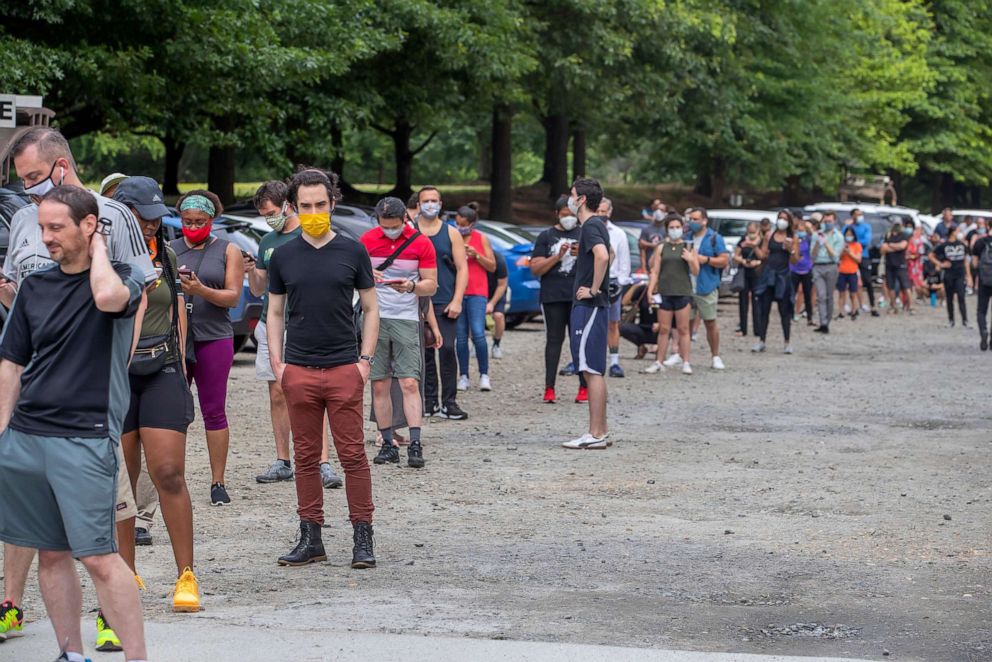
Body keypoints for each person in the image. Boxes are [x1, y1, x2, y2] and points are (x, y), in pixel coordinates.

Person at [0, 127, 155, 651]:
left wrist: (102, 246)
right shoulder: (36, 286)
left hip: (86, 435)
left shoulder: (123, 271)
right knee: (50, 552)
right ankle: (70, 650)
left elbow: (112, 299)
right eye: (40, 226)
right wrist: (3, 432)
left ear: (89, 225)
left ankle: (135, 653)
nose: (45, 237)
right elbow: (11, 362)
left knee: (98, 555)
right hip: (27, 436)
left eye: (55, 227)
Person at [266, 167, 379, 569]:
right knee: (305, 457)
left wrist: (364, 361)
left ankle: (362, 538)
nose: (313, 212)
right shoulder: (284, 255)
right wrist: (278, 363)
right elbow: (275, 312)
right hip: (298, 370)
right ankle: (311, 537)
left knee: (352, 457)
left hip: (344, 369)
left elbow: (370, 307)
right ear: (293, 207)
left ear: (333, 204)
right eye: (305, 206)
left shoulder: (352, 250)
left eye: (320, 204)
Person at [113, 176, 200, 613]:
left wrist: (182, 367)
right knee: (122, 483)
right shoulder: (104, 257)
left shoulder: (164, 254)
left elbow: (178, 314)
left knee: (168, 472)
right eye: (143, 217)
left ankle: (186, 575)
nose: (151, 225)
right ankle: (124, 575)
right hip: (116, 374)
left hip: (162, 366)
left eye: (155, 218)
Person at [248, 181, 343, 489]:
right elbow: (260, 290)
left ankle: (323, 462)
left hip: (304, 324)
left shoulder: (311, 235)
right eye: (264, 215)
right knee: (276, 393)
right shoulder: (267, 242)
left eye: (272, 212)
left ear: (288, 205)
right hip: (270, 323)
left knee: (315, 394)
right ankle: (282, 460)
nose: (269, 219)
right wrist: (252, 270)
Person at [170, 190, 244, 506]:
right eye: (187, 221)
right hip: (175, 340)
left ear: (211, 219)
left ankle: (218, 480)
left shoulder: (229, 250)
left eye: (199, 221)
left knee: (214, 409)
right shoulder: (169, 249)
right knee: (174, 412)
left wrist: (200, 290)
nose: (193, 226)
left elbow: (233, 297)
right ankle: (172, 478)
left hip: (214, 337)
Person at [362, 196, 437, 468]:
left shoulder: (420, 242)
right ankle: (386, 441)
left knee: (409, 382)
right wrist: (369, 274)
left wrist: (412, 287)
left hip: (406, 316)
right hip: (375, 317)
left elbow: (431, 285)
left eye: (393, 225)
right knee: (379, 382)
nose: (388, 230)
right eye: (384, 226)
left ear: (404, 218)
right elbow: (352, 277)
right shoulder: (367, 240)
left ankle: (415, 442)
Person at [562, 177, 611, 450]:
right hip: (595, 305)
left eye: (572, 194)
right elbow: (608, 255)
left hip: (589, 305)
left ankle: (594, 434)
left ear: (581, 199)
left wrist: (593, 289)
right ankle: (601, 430)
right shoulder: (595, 226)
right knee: (595, 369)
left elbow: (603, 256)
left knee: (591, 369)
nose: (569, 199)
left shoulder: (591, 225)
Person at [417, 186, 469, 420]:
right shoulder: (411, 231)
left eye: (434, 200)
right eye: (425, 200)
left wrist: (457, 299)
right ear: (418, 205)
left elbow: (462, 268)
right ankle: (429, 402)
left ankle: (449, 402)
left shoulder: (451, 233)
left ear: (440, 203)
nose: (430, 204)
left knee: (447, 349)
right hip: (416, 301)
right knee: (424, 353)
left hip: (445, 300)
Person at [530, 195, 584, 404]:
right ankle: (549, 387)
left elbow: (604, 259)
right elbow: (535, 267)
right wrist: (556, 256)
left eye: (572, 215)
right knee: (554, 340)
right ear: (557, 214)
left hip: (578, 295)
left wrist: (584, 254)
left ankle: (583, 387)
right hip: (553, 295)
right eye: (564, 215)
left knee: (578, 341)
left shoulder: (584, 233)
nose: (568, 219)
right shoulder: (546, 236)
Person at [643, 213, 698, 375]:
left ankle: (686, 361)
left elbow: (696, 271)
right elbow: (655, 270)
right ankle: (659, 361)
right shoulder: (661, 247)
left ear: (683, 228)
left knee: (683, 329)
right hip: (665, 292)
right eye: (672, 227)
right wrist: (650, 289)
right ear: (667, 229)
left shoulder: (689, 247)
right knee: (664, 329)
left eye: (677, 227)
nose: (675, 230)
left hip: (682, 292)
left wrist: (691, 259)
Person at [453, 204, 497, 392]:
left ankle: (484, 374)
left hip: (478, 292)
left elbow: (492, 266)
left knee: (478, 333)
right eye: (457, 223)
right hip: (458, 293)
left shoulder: (481, 238)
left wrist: (476, 255)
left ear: (471, 224)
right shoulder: (453, 237)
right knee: (460, 337)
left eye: (462, 224)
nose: (459, 227)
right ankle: (463, 375)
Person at [753, 210, 800, 353]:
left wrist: (790, 250)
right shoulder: (769, 235)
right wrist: (755, 246)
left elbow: (795, 261)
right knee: (764, 309)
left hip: (783, 276)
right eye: (780, 218)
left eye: (785, 219)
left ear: (789, 222)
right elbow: (763, 255)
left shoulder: (793, 238)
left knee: (784, 310)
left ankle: (787, 342)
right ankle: (762, 340)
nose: (782, 221)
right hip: (769, 275)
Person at [598, 197, 632, 377]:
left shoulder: (618, 233)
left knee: (613, 322)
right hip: (593, 280)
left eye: (605, 211)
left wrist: (621, 282)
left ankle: (614, 361)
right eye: (599, 211)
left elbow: (624, 261)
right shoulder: (587, 230)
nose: (602, 214)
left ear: (610, 212)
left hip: (612, 282)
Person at [930, 224, 971, 328]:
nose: (959, 233)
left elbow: (965, 261)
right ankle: (951, 320)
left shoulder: (961, 245)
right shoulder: (944, 245)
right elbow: (931, 255)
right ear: (953, 232)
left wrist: (969, 275)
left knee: (961, 296)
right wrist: (940, 264)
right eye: (957, 231)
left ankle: (965, 320)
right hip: (949, 274)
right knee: (949, 298)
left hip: (960, 274)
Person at [810, 211, 843, 333]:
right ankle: (823, 322)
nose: (827, 223)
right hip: (818, 266)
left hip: (831, 266)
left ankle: (827, 321)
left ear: (834, 221)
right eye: (825, 221)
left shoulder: (838, 236)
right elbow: (812, 256)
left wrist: (826, 243)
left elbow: (835, 256)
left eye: (830, 221)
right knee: (821, 295)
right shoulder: (816, 235)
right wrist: (818, 244)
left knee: (829, 296)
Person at [733, 221, 763, 336]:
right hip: (744, 272)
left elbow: (763, 257)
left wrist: (754, 247)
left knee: (757, 300)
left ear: (758, 231)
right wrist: (743, 261)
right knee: (743, 300)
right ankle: (743, 327)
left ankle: (758, 329)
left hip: (757, 273)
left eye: (753, 232)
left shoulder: (762, 241)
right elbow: (735, 256)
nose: (751, 234)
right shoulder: (743, 240)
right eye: (749, 232)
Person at [850, 208, 879, 317]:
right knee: (852, 282)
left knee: (868, 281)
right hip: (850, 258)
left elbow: (866, 241)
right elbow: (844, 239)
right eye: (857, 215)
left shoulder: (866, 227)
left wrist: (854, 242)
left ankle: (872, 305)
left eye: (861, 214)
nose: (860, 217)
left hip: (864, 256)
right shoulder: (849, 227)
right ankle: (855, 306)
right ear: (852, 216)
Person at [880, 221, 912, 315]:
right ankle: (893, 306)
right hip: (889, 264)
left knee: (906, 286)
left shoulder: (904, 235)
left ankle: (910, 306)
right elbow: (882, 249)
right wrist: (895, 247)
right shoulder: (888, 235)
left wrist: (890, 246)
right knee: (891, 286)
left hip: (901, 264)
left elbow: (902, 246)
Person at [618, 282, 655, 356]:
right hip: (643, 328)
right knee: (621, 327)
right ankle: (641, 345)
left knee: (667, 328)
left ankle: (661, 350)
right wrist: (634, 287)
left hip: (661, 328)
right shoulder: (643, 290)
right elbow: (624, 302)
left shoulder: (665, 292)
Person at [790, 215, 815, 326]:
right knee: (792, 293)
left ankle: (809, 316)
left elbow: (816, 242)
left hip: (807, 268)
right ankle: (790, 314)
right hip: (794, 268)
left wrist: (810, 229)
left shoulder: (809, 238)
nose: (801, 228)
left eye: (803, 226)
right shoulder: (793, 237)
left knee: (807, 293)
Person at [971, 228, 992, 349]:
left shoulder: (980, 242)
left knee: (981, 310)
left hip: (984, 280)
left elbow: (974, 263)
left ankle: (983, 331)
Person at [836, 226, 863, 321]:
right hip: (842, 271)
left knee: (853, 293)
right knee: (841, 293)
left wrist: (849, 252)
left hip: (852, 272)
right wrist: (843, 251)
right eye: (847, 234)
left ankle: (854, 310)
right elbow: (837, 257)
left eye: (850, 234)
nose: (849, 236)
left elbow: (858, 259)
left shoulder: (857, 245)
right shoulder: (841, 245)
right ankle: (841, 311)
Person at [488, 249, 509, 359]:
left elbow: (502, 285)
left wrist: (492, 303)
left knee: (498, 316)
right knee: (474, 317)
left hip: (496, 291)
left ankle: (497, 344)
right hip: (479, 291)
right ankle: (474, 342)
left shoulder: (499, 260)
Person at [907, 224, 927, 300]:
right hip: (910, 264)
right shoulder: (911, 239)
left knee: (917, 281)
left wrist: (913, 256)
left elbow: (920, 253)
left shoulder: (920, 241)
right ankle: (911, 297)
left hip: (917, 264)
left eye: (919, 230)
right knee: (910, 280)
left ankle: (919, 296)